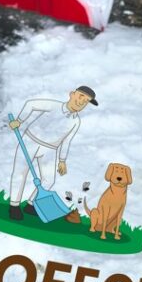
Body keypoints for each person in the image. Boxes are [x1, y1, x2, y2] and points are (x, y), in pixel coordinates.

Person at [8, 86, 99, 220]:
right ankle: (14, 206)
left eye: (86, 101)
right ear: (72, 94)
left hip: (50, 149)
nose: (81, 102)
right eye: (80, 96)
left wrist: (62, 160)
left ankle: (31, 205)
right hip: (31, 141)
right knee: (20, 173)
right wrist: (19, 120)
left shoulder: (75, 122)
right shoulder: (53, 106)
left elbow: (66, 141)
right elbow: (30, 104)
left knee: (49, 178)